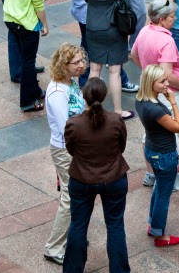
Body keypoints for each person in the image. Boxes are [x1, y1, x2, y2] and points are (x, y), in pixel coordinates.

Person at [64, 78, 130, 273]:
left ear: (84, 97)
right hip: (114, 178)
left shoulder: (74, 124)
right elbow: (122, 147)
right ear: (105, 95)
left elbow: (71, 149)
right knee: (115, 226)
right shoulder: (116, 121)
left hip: (82, 179)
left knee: (78, 225)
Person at [130, 0, 179, 188]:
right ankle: (166, 174)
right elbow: (167, 74)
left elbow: (133, 55)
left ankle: (150, 173)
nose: (175, 19)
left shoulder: (144, 31)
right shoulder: (166, 40)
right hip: (166, 92)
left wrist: (149, 74)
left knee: (149, 131)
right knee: (166, 130)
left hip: (148, 86)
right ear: (163, 19)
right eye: (172, 16)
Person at [80, 0, 138, 120]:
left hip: (92, 27)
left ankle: (88, 108)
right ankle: (118, 111)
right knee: (114, 71)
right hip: (113, 27)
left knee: (94, 70)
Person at [43, 43, 86, 265]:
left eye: (82, 60)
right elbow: (65, 128)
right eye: (76, 62)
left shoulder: (70, 83)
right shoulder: (58, 92)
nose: (82, 65)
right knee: (69, 198)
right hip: (66, 150)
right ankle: (53, 247)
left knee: (75, 194)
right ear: (64, 64)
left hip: (73, 148)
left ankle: (74, 235)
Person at [135, 65, 179, 247]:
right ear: (151, 83)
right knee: (164, 194)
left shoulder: (140, 100)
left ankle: (153, 225)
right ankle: (160, 235)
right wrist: (172, 102)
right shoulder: (156, 109)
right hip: (164, 155)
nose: (167, 84)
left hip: (151, 149)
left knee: (159, 188)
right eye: (162, 81)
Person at [4, 0, 49, 112]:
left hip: (10, 18)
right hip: (26, 23)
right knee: (28, 63)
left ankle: (36, 90)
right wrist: (45, 24)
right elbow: (39, 4)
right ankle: (27, 101)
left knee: (24, 58)